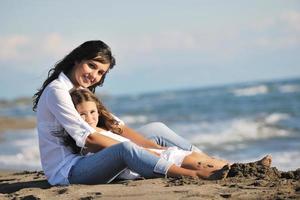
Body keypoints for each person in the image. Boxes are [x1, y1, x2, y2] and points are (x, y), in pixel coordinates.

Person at [33, 40, 232, 185]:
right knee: (126, 149)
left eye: (100, 72)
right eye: (91, 65)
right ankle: (192, 174)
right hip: (69, 170)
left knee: (156, 129)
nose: (93, 75)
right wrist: (147, 152)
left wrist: (154, 148)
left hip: (89, 158)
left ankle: (215, 164)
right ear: (76, 60)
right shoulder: (57, 91)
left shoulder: (81, 91)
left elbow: (118, 128)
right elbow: (90, 139)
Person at [58, 89, 234, 180]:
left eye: (92, 112)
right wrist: (154, 152)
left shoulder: (102, 126)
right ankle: (199, 174)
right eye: (82, 114)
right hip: (133, 162)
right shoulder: (86, 136)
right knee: (189, 160)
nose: (89, 118)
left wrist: (157, 148)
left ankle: (237, 166)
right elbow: (123, 149)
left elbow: (127, 135)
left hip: (139, 155)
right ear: (74, 116)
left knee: (191, 155)